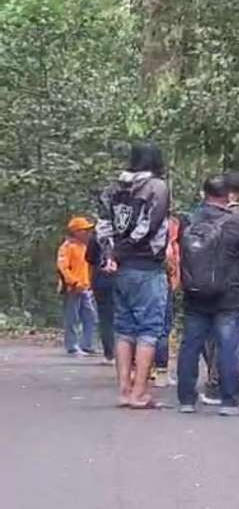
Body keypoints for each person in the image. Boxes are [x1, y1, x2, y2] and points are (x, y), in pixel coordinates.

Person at [96, 141, 171, 409]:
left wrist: (110, 255)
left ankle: (124, 390)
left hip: (120, 269)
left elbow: (103, 226)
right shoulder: (157, 187)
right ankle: (139, 393)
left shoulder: (113, 188)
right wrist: (121, 253)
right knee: (149, 330)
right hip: (146, 265)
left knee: (124, 329)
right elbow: (148, 227)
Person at [175, 174, 239, 416]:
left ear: (203, 194)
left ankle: (187, 400)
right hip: (229, 295)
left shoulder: (189, 220)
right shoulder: (236, 223)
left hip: (194, 293)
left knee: (190, 344)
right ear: (228, 196)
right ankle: (229, 402)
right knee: (228, 346)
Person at [57, 216, 98, 356]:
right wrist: (73, 282)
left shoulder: (85, 247)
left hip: (86, 287)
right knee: (72, 318)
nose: (87, 232)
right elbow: (63, 267)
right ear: (75, 231)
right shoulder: (67, 247)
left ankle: (86, 345)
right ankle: (72, 346)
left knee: (91, 317)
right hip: (72, 288)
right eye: (84, 230)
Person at [152, 215, 180, 388]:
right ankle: (161, 370)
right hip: (162, 283)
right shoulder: (168, 245)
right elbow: (170, 264)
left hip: (147, 281)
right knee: (162, 328)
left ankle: (139, 369)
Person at [86, 226, 115, 363]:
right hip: (123, 276)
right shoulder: (129, 229)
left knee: (106, 318)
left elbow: (90, 260)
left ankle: (110, 353)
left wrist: (91, 281)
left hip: (102, 277)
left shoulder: (97, 234)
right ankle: (125, 355)